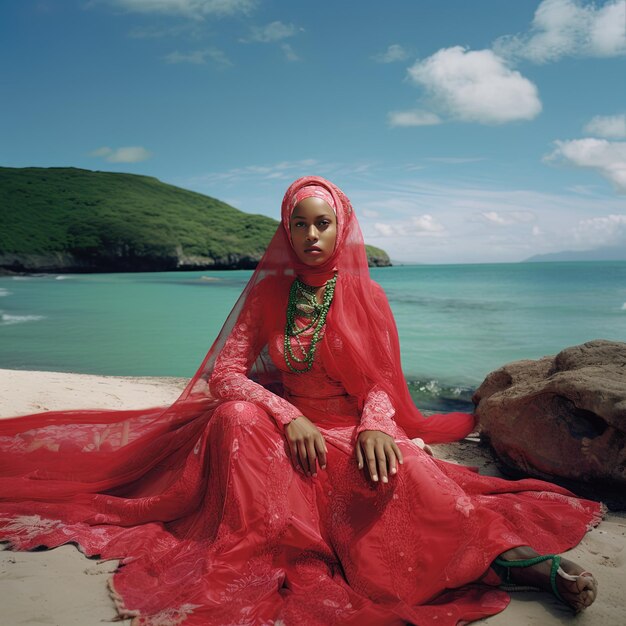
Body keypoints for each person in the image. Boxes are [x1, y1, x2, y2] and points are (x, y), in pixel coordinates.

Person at [0, 176, 602, 625]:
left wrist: (373, 425)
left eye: (323, 224)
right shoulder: (267, 295)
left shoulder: (369, 298)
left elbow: (381, 386)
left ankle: (517, 561)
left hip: (350, 427)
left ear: (342, 229)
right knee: (235, 414)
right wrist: (287, 417)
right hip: (275, 430)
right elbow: (226, 376)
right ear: (285, 230)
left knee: (408, 471)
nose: (311, 236)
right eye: (299, 224)